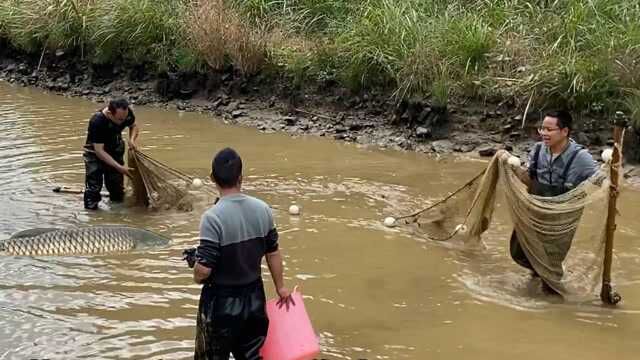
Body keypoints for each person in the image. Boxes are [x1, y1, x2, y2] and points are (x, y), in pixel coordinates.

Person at [189, 148, 293, 360]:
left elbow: (204, 270)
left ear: (212, 178)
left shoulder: (212, 218)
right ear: (241, 178)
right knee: (253, 356)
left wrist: (195, 268)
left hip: (221, 303)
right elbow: (273, 252)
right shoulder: (263, 209)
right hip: (254, 299)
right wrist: (281, 287)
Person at [508, 110, 598, 292]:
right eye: (542, 128)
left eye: (550, 129)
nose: (544, 133)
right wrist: (512, 167)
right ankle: (537, 275)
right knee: (520, 251)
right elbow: (530, 179)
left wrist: (611, 181)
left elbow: (601, 180)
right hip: (535, 211)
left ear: (564, 131)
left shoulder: (581, 158)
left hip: (561, 220)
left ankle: (554, 297)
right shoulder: (539, 149)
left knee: (550, 268)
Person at [83, 99, 139, 210]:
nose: (123, 121)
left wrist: (132, 140)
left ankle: (117, 214)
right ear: (109, 113)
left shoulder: (126, 113)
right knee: (93, 187)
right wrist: (120, 168)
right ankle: (93, 217)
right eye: (120, 119)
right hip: (95, 153)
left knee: (116, 188)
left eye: (124, 118)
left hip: (115, 148)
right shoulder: (97, 121)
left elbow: (133, 126)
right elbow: (99, 151)